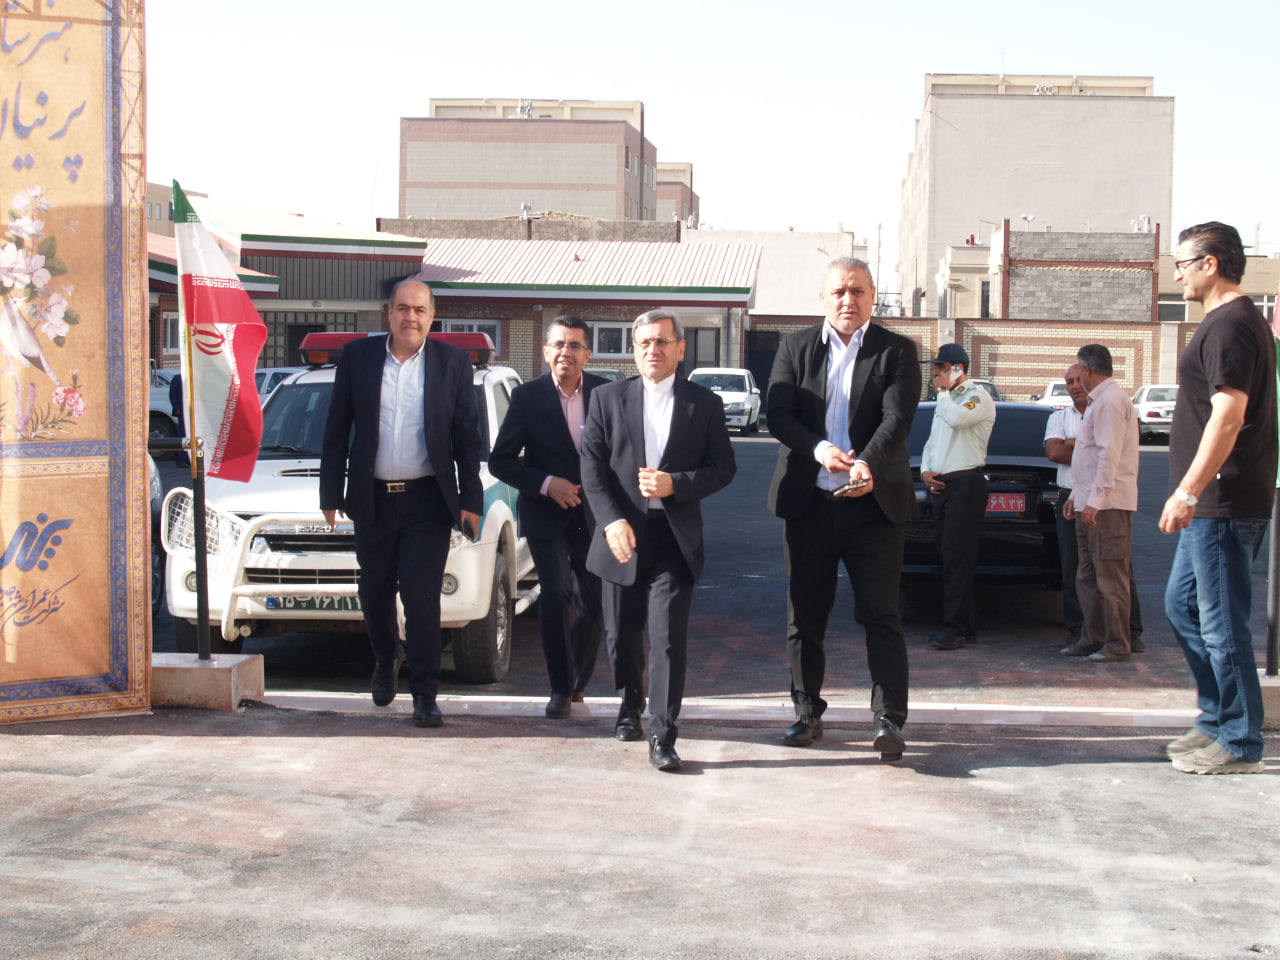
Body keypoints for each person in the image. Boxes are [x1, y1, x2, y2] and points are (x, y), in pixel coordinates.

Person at [766, 257, 920, 760]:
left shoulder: (897, 350)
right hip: (809, 503)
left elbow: (897, 417)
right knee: (805, 616)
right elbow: (779, 414)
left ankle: (888, 719)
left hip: (873, 507)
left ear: (873, 296)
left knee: (882, 615)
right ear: (823, 298)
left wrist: (866, 464)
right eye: (838, 292)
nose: (847, 300)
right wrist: (819, 449)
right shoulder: (794, 347)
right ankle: (807, 712)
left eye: (857, 291)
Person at [319, 279, 482, 728]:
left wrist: (470, 499)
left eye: (420, 310)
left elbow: (467, 437)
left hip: (427, 501)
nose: (411, 317)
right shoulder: (359, 357)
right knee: (374, 593)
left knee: (421, 597)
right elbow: (337, 427)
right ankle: (386, 656)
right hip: (371, 499)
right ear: (388, 313)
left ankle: (425, 693)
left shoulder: (451, 363)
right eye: (403, 308)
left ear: (432, 316)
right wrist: (330, 492)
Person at [580, 309, 736, 772]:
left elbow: (722, 468)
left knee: (667, 638)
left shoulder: (703, 404)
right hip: (621, 536)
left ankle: (663, 734)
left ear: (680, 348)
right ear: (634, 350)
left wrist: (676, 484)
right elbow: (592, 468)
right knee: (621, 634)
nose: (654, 349)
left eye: (662, 341)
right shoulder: (607, 398)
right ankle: (629, 705)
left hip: (673, 538)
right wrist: (610, 521)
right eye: (645, 342)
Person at [1159, 221, 1276, 775]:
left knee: (1222, 623)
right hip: (1212, 503)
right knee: (1182, 607)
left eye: (1183, 264)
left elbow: (1228, 417)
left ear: (1210, 264)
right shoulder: (1228, 322)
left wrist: (1188, 490)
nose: (1177, 274)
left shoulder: (1230, 325)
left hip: (1222, 501)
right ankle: (1216, 720)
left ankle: (1240, 741)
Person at [489, 315, 606, 719]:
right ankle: (559, 688)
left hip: (592, 516)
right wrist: (546, 484)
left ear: (587, 354)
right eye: (558, 344)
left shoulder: (607, 395)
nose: (565, 352)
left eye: (574, 345)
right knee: (556, 594)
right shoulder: (527, 397)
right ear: (545, 352)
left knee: (594, 603)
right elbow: (501, 461)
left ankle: (578, 683)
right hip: (545, 513)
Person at [1045, 363, 1144, 652]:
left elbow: (1106, 455)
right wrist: (1077, 495)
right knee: (1082, 574)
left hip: (1105, 504)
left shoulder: (1109, 402)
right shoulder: (1066, 415)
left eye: (1079, 378)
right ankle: (1089, 637)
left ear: (1089, 372)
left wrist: (1094, 499)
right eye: (1069, 382)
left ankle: (1121, 641)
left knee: (1112, 575)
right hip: (1078, 498)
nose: (1075, 386)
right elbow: (1058, 453)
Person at [918, 343, 996, 650]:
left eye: (942, 368)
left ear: (958, 369)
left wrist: (944, 392)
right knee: (949, 558)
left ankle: (956, 629)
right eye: (935, 368)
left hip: (966, 485)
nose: (936, 373)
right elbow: (932, 442)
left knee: (957, 560)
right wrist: (925, 471)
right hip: (943, 487)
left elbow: (958, 420)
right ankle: (964, 625)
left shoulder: (976, 397)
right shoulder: (946, 400)